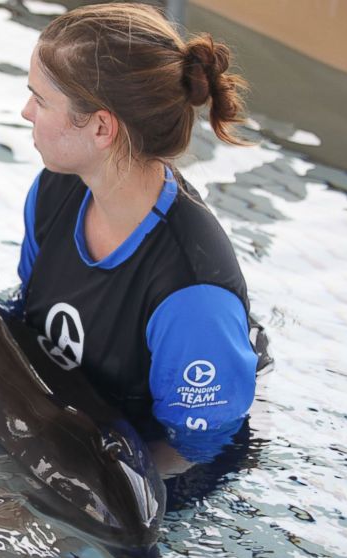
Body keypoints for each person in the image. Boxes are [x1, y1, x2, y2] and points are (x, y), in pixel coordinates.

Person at [14, 3, 270, 474]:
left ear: (100, 127)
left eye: (41, 100)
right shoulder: (55, 190)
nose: (25, 111)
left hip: (165, 462)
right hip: (75, 413)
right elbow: (23, 312)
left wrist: (46, 481)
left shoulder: (192, 291)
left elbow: (198, 447)